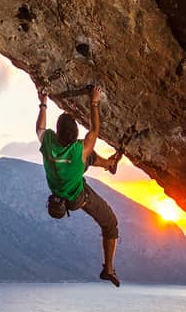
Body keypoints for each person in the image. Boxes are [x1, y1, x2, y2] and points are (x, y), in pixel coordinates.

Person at [37, 84, 125, 286]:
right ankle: (108, 270)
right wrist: (94, 102)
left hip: (59, 188)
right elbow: (95, 130)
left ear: (57, 133)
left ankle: (109, 164)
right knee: (110, 224)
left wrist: (43, 103)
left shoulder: (48, 142)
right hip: (78, 197)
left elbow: (40, 128)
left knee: (89, 158)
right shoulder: (79, 150)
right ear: (75, 136)